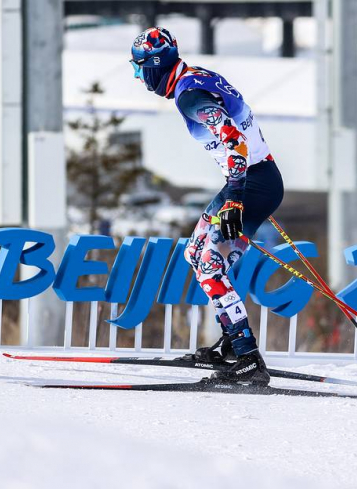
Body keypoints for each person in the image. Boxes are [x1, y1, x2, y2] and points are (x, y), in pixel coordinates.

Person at [130, 27, 284, 386]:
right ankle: (231, 344)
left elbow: (233, 139)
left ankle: (248, 357)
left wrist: (234, 198)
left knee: (210, 268)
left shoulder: (189, 95)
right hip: (251, 180)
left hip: (251, 183)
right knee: (195, 253)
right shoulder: (195, 78)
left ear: (155, 66)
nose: (138, 77)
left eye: (139, 68)